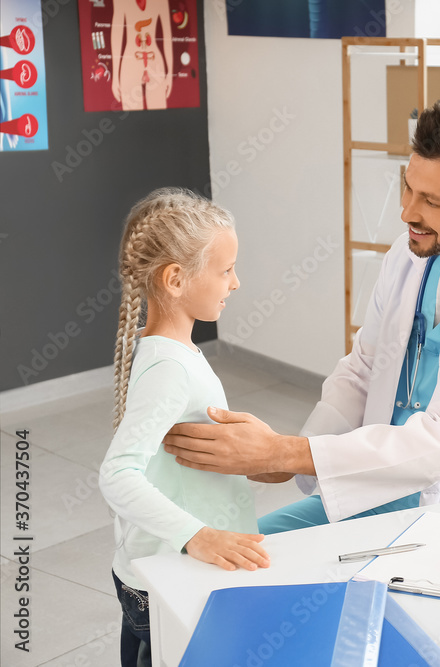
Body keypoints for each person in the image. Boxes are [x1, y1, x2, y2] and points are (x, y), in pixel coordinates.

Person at [162, 99, 440, 529]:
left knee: (270, 572)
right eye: (408, 187)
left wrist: (284, 452)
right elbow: (363, 371)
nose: (407, 213)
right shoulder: (409, 255)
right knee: (238, 553)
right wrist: (291, 454)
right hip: (383, 489)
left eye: (433, 202)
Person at [99, 188, 270, 667]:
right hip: (167, 578)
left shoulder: (169, 354)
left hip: (161, 572)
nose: (236, 282)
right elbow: (117, 474)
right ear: (175, 279)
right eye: (225, 270)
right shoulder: (170, 368)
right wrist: (199, 535)